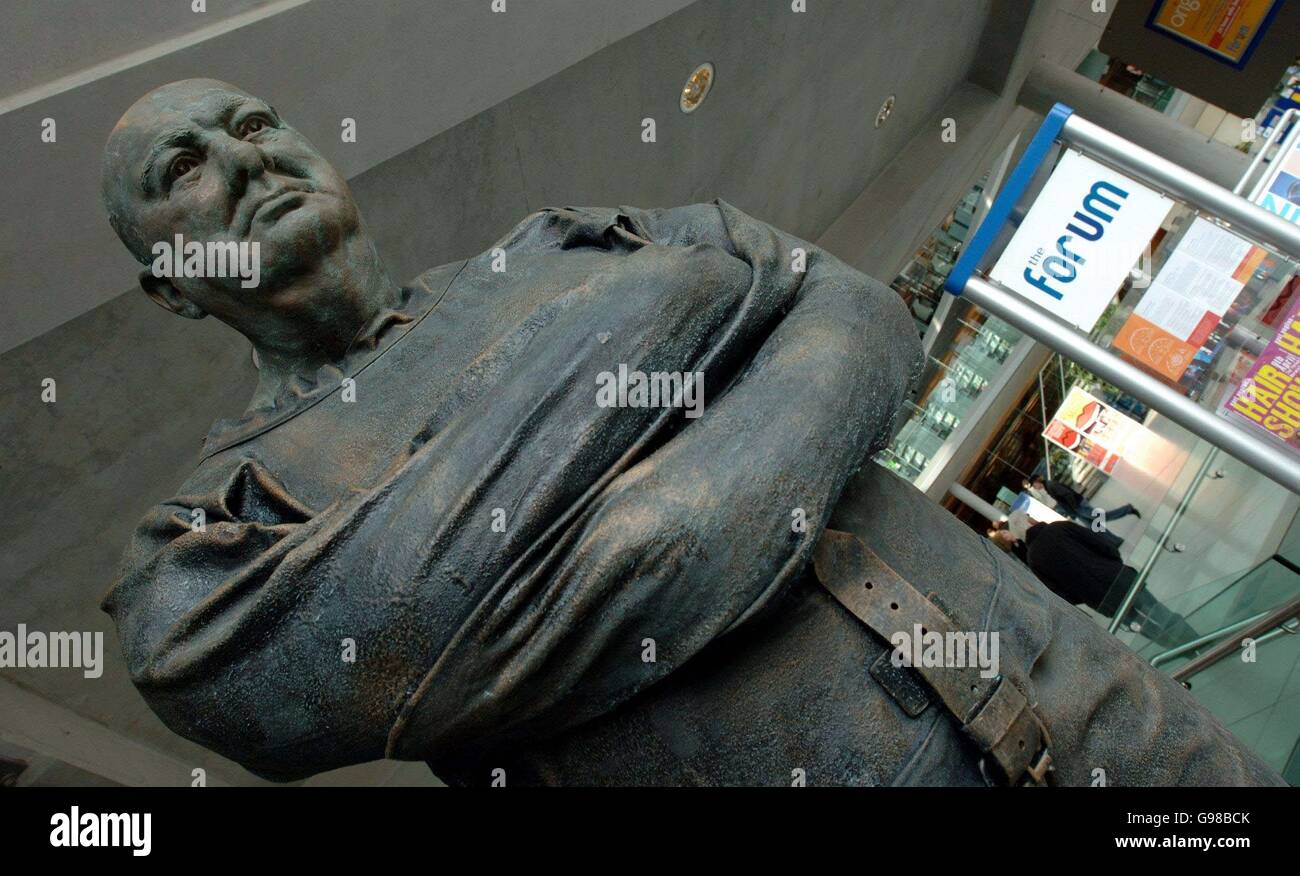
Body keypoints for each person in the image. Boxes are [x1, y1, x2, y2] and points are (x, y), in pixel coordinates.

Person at [99, 79, 1281, 786]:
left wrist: (592, 542)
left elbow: (861, 321)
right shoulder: (200, 558)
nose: (248, 157)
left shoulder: (561, 242)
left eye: (253, 121)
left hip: (1098, 711)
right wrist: (688, 330)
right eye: (185, 167)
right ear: (169, 284)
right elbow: (407, 647)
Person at [989, 521, 1195, 649]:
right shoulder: (1060, 527)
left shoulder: (1034, 560)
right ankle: (1194, 638)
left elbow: (1062, 594)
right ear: (1031, 522)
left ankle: (1180, 649)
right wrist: (1114, 562)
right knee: (1157, 609)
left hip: (1101, 600)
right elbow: (1101, 543)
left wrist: (1085, 593)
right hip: (1118, 577)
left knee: (1143, 627)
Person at [1026, 475, 1141, 528]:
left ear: (1037, 481)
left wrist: (1074, 507)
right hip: (1076, 508)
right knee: (1094, 526)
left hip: (1078, 505)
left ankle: (1127, 509)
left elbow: (1067, 494)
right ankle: (1113, 542)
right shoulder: (1048, 486)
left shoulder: (1051, 485)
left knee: (1101, 518)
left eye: (1034, 485)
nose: (1035, 488)